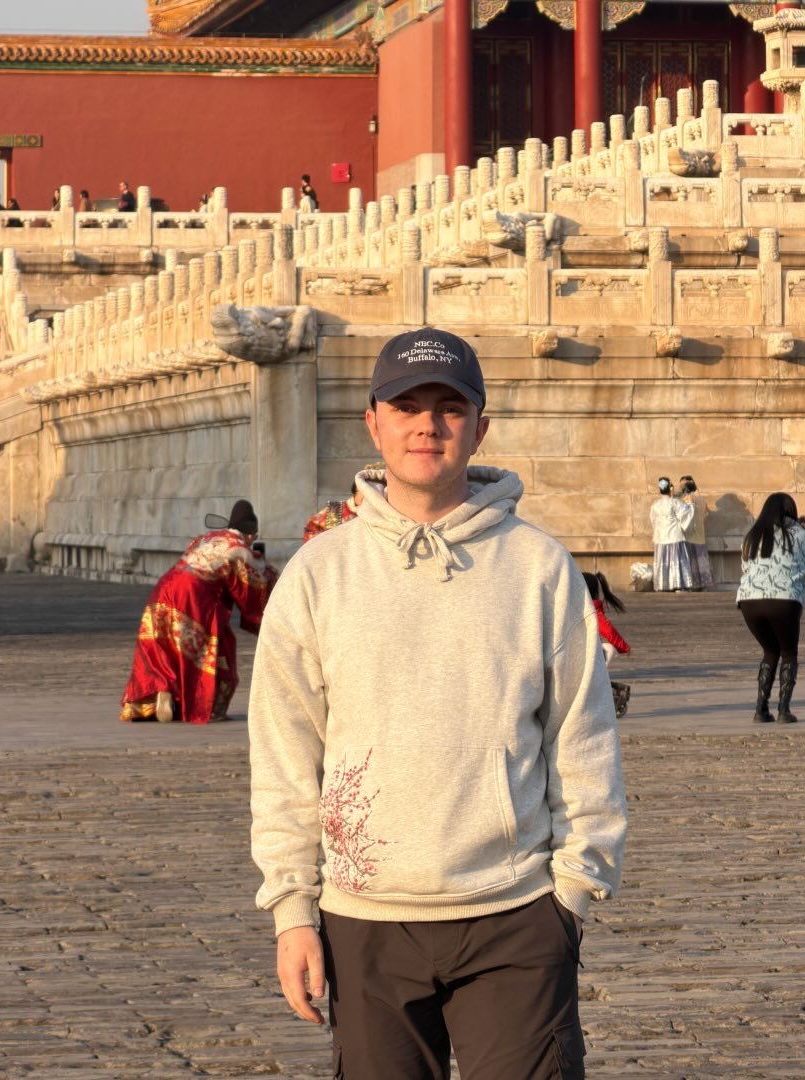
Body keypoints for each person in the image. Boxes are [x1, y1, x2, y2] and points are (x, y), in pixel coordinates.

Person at [249, 327, 627, 1079]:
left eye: (450, 407)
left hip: (515, 912)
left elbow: (581, 736)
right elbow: (286, 755)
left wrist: (574, 892)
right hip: (365, 917)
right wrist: (292, 910)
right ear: (374, 423)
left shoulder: (539, 567)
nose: (428, 425)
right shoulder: (319, 574)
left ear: (479, 428)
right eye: (407, 406)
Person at [120, 499, 277, 725]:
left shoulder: (205, 538)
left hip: (165, 588)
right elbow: (254, 586)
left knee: (163, 646)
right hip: (194, 595)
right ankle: (209, 707)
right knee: (218, 647)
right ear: (251, 534)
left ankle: (162, 692)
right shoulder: (240, 550)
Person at [736, 492, 805, 724]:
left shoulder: (752, 537)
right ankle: (784, 710)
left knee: (770, 651)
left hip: (749, 601)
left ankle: (760, 710)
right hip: (784, 600)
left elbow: (745, 567)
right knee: (788, 652)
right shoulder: (798, 534)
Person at [582, 570, 631, 719]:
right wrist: (624, 647)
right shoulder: (592, 611)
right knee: (609, 648)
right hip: (583, 654)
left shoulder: (573, 608)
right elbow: (609, 631)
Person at [649, 476, 695, 592]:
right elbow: (684, 514)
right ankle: (678, 584)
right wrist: (691, 505)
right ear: (670, 488)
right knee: (676, 560)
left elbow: (653, 520)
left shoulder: (655, 504)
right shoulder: (674, 502)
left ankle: (662, 584)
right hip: (674, 536)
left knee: (663, 560)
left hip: (661, 537)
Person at [678, 474, 712, 590]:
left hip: (689, 535)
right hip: (700, 535)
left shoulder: (686, 499)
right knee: (700, 561)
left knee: (690, 561)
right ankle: (703, 585)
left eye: (682, 485)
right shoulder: (701, 499)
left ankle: (691, 585)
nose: (681, 487)